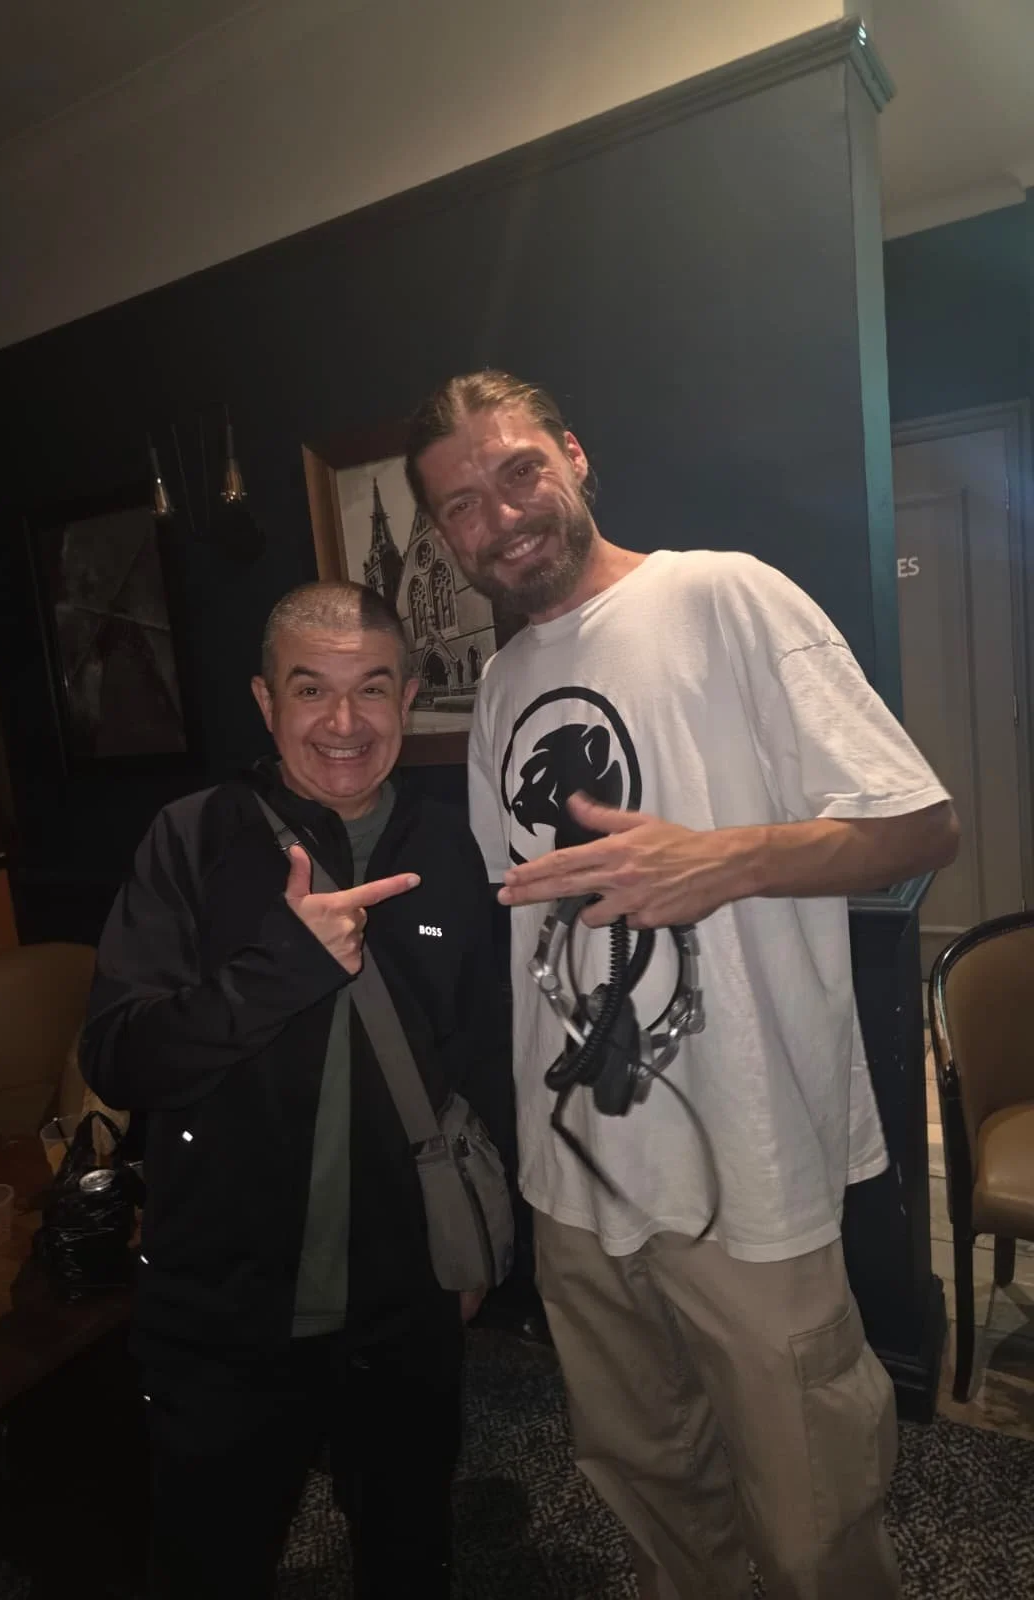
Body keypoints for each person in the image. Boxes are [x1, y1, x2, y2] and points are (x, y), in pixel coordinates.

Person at [404, 371, 959, 1600]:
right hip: (577, 1178)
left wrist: (720, 862)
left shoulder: (723, 593)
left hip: (745, 1166)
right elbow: (537, 916)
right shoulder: (498, 691)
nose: (497, 515)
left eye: (516, 472)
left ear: (574, 456)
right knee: (648, 1491)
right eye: (460, 506)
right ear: (444, 539)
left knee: (814, 1520)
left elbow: (922, 826)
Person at [78, 581, 511, 1599]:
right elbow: (119, 1055)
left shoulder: (449, 848)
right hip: (224, 1307)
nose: (345, 722)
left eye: (372, 689)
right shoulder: (190, 842)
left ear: (409, 697)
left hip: (403, 1302)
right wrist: (281, 966)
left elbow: (484, 1058)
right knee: (207, 1565)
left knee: (409, 1556)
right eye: (311, 689)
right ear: (266, 704)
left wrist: (483, 1241)